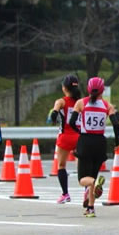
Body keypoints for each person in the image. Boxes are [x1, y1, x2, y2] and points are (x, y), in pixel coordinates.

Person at [68, 77, 119, 217]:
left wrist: (80, 131)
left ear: (88, 89)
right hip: (100, 142)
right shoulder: (107, 105)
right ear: (102, 90)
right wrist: (117, 142)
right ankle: (90, 208)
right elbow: (115, 124)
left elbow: (71, 122)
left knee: (83, 179)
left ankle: (96, 185)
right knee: (93, 176)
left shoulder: (81, 103)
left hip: (85, 141)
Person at [48, 74, 82, 204]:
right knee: (81, 166)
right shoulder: (80, 102)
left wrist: (54, 117)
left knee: (61, 165)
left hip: (65, 136)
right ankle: (86, 188)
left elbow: (54, 114)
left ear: (64, 88)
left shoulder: (61, 101)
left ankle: (65, 194)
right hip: (79, 136)